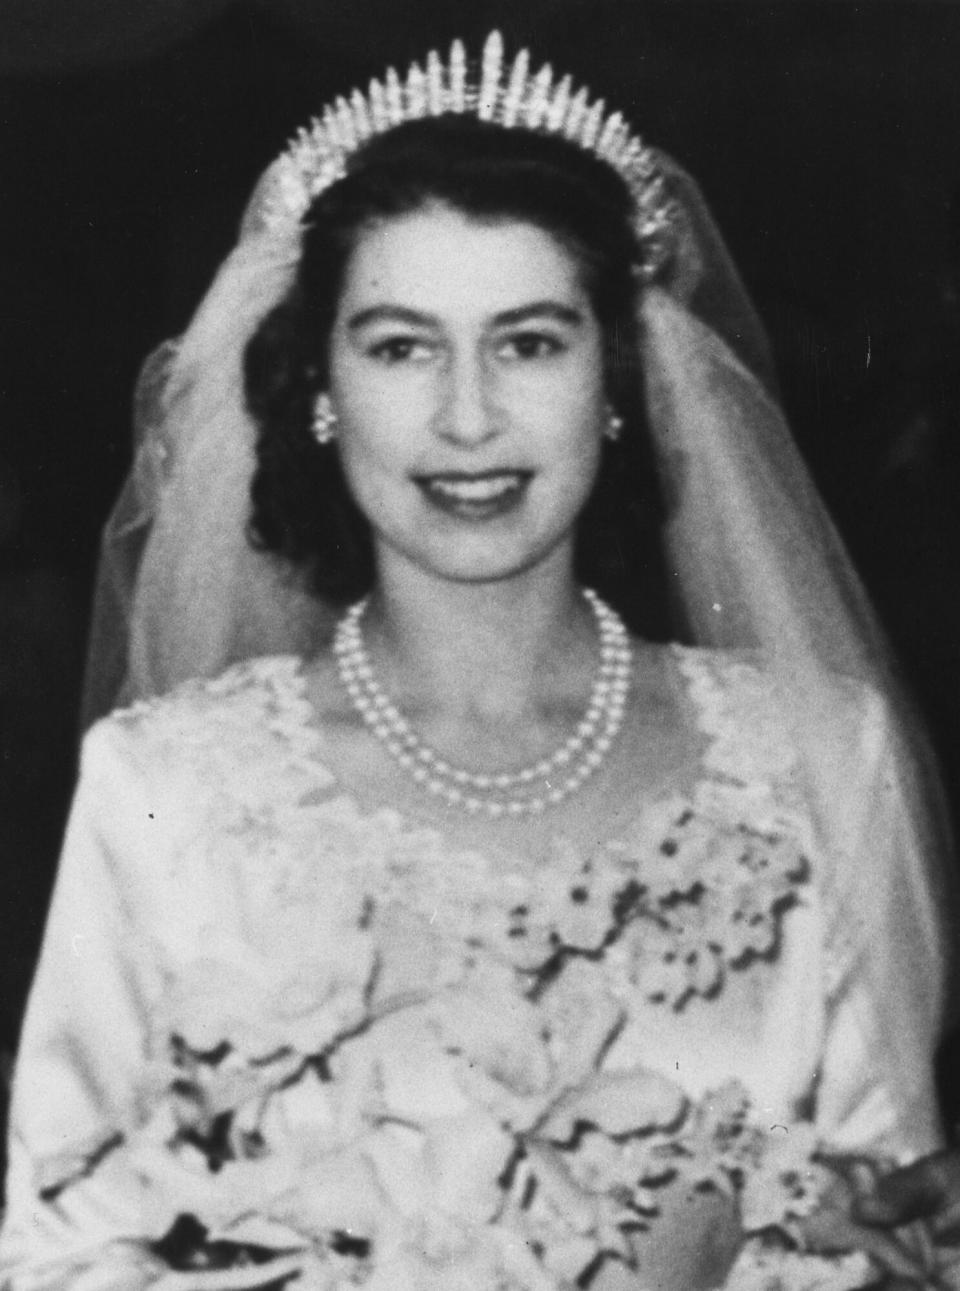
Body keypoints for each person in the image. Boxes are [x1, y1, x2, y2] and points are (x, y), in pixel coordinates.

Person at [0, 32, 954, 1291]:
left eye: (530, 341)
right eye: (401, 345)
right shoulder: (164, 787)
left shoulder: (824, 756)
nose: (467, 417)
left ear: (613, 375)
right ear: (323, 387)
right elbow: (56, 1253)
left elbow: (893, 1220)